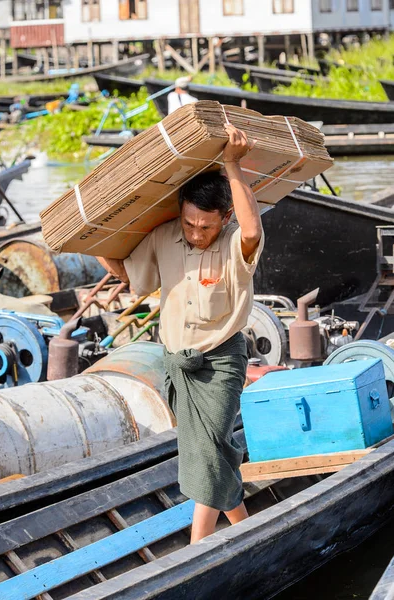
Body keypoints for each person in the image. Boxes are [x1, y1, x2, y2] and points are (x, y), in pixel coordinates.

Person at [97, 124, 263, 543]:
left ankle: (197, 545)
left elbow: (252, 231)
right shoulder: (164, 237)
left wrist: (232, 164)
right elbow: (129, 275)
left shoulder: (233, 244)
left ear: (223, 218)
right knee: (212, 451)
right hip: (177, 364)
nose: (195, 233)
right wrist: (93, 238)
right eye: (189, 223)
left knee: (207, 451)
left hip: (221, 363)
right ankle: (247, 529)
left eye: (205, 226)